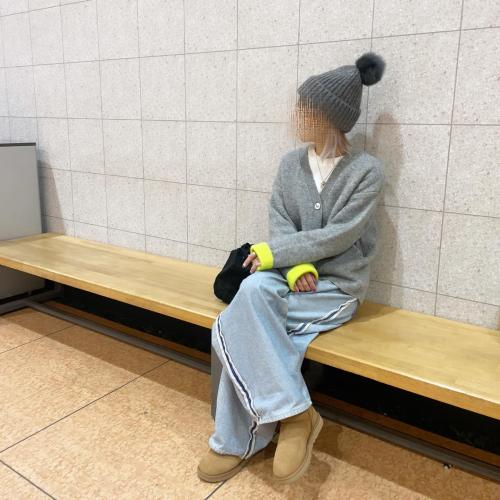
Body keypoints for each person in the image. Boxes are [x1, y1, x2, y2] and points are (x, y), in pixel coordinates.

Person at [198, 52, 386, 484]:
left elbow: (341, 234)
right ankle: (297, 415)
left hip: (337, 287)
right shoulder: (290, 164)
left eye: (305, 107)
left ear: (330, 116)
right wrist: (294, 266)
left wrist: (294, 260)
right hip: (288, 279)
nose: (297, 114)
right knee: (250, 297)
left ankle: (234, 442)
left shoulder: (367, 172)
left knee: (236, 323)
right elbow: (280, 219)